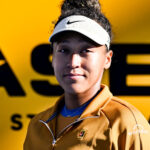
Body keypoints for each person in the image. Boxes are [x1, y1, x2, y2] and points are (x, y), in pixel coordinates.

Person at [24, 0, 150, 149]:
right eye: (64, 50)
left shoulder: (125, 122)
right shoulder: (38, 125)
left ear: (107, 59)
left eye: (85, 50)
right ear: (53, 58)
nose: (73, 62)